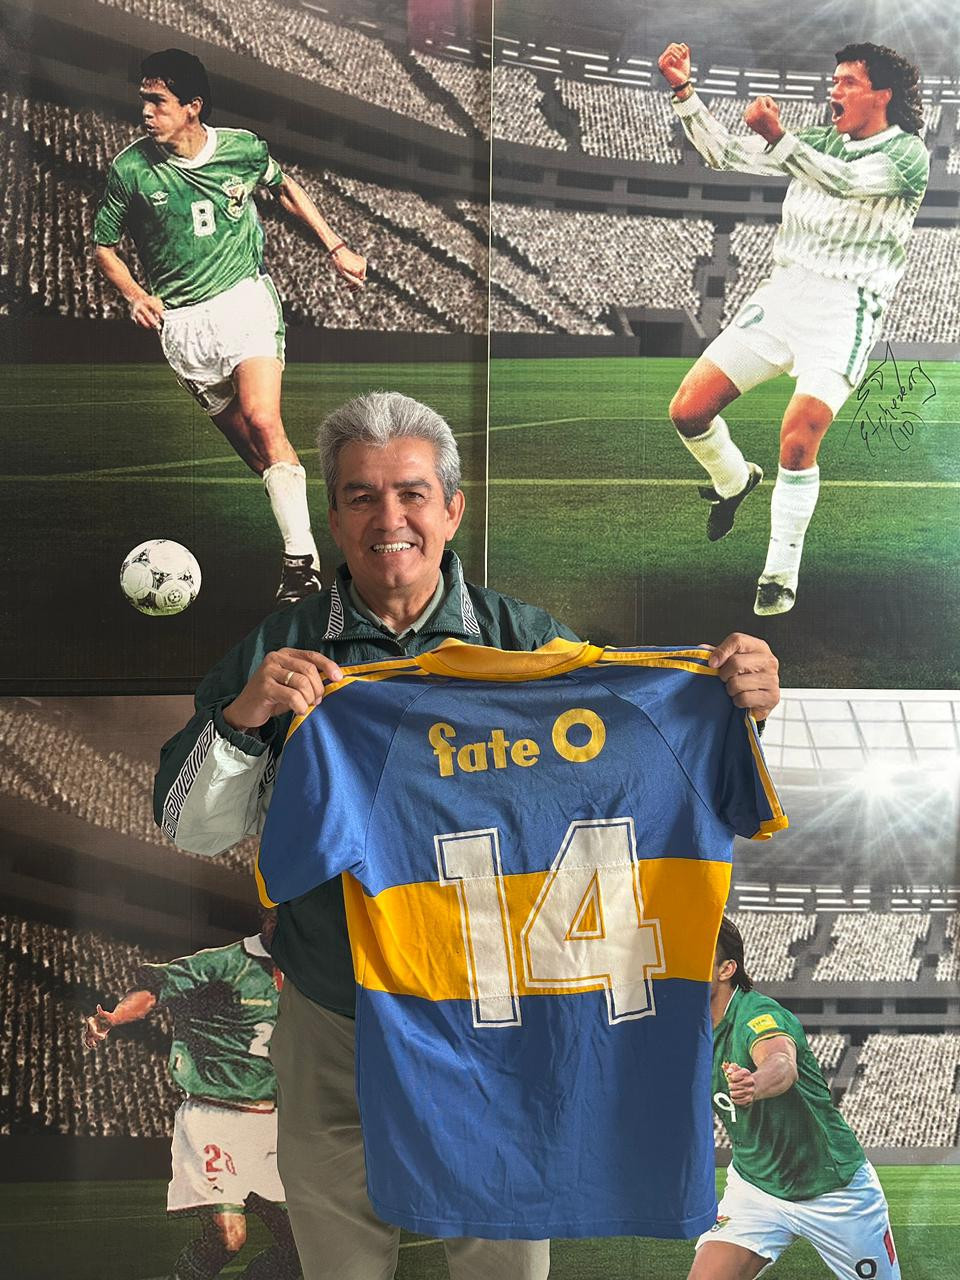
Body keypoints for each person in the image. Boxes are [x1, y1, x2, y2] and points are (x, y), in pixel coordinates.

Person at [154, 390, 783, 1280]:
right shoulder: (280, 653)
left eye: (411, 493)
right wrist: (244, 716)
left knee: (504, 1264)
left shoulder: (530, 644)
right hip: (337, 1016)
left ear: (452, 509)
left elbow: (628, 781)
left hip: (498, 1022)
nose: (389, 519)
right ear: (332, 519)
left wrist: (735, 709)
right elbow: (190, 827)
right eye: (362, 496)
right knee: (339, 1264)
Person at [658, 41, 928, 616]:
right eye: (834, 79)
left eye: (848, 81)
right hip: (782, 295)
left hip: (844, 308)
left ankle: (779, 575)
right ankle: (734, 480)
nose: (834, 89)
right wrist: (684, 91)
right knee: (687, 411)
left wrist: (781, 138)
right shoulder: (818, 139)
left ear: (883, 95)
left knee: (800, 435)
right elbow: (724, 154)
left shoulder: (907, 154)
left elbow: (843, 182)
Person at [93, 48, 367, 606]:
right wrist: (136, 294)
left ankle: (300, 567)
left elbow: (285, 187)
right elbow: (104, 246)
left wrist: (335, 246)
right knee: (258, 455)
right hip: (183, 326)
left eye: (158, 101)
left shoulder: (241, 149)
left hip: (244, 302)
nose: (146, 111)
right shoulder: (130, 169)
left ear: (192, 106)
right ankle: (320, 536)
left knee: (265, 419)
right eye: (144, 100)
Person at [83, 914, 302, 1280]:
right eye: (280, 915)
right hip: (214, 1115)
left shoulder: (301, 976)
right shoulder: (224, 963)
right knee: (227, 1239)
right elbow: (155, 990)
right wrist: (114, 1018)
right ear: (267, 918)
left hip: (268, 1124)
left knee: (302, 1246)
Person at [691, 916, 900, 1280]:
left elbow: (782, 1064)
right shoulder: (688, 1028)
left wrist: (755, 1083)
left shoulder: (757, 1014)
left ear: (726, 969)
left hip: (834, 1190)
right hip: (756, 1188)